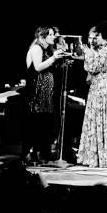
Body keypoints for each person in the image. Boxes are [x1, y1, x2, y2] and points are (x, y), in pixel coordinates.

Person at [77, 22, 107, 168]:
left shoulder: (101, 51)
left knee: (99, 116)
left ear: (100, 35)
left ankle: (98, 156)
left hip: (100, 86)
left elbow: (92, 67)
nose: (91, 40)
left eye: (93, 36)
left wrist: (87, 53)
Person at [24, 26, 65, 164]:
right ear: (43, 37)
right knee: (36, 123)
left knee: (43, 124)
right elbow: (38, 67)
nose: (54, 37)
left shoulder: (47, 49)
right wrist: (53, 58)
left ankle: (40, 153)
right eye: (51, 35)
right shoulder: (36, 48)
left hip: (45, 94)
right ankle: (31, 154)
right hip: (37, 93)